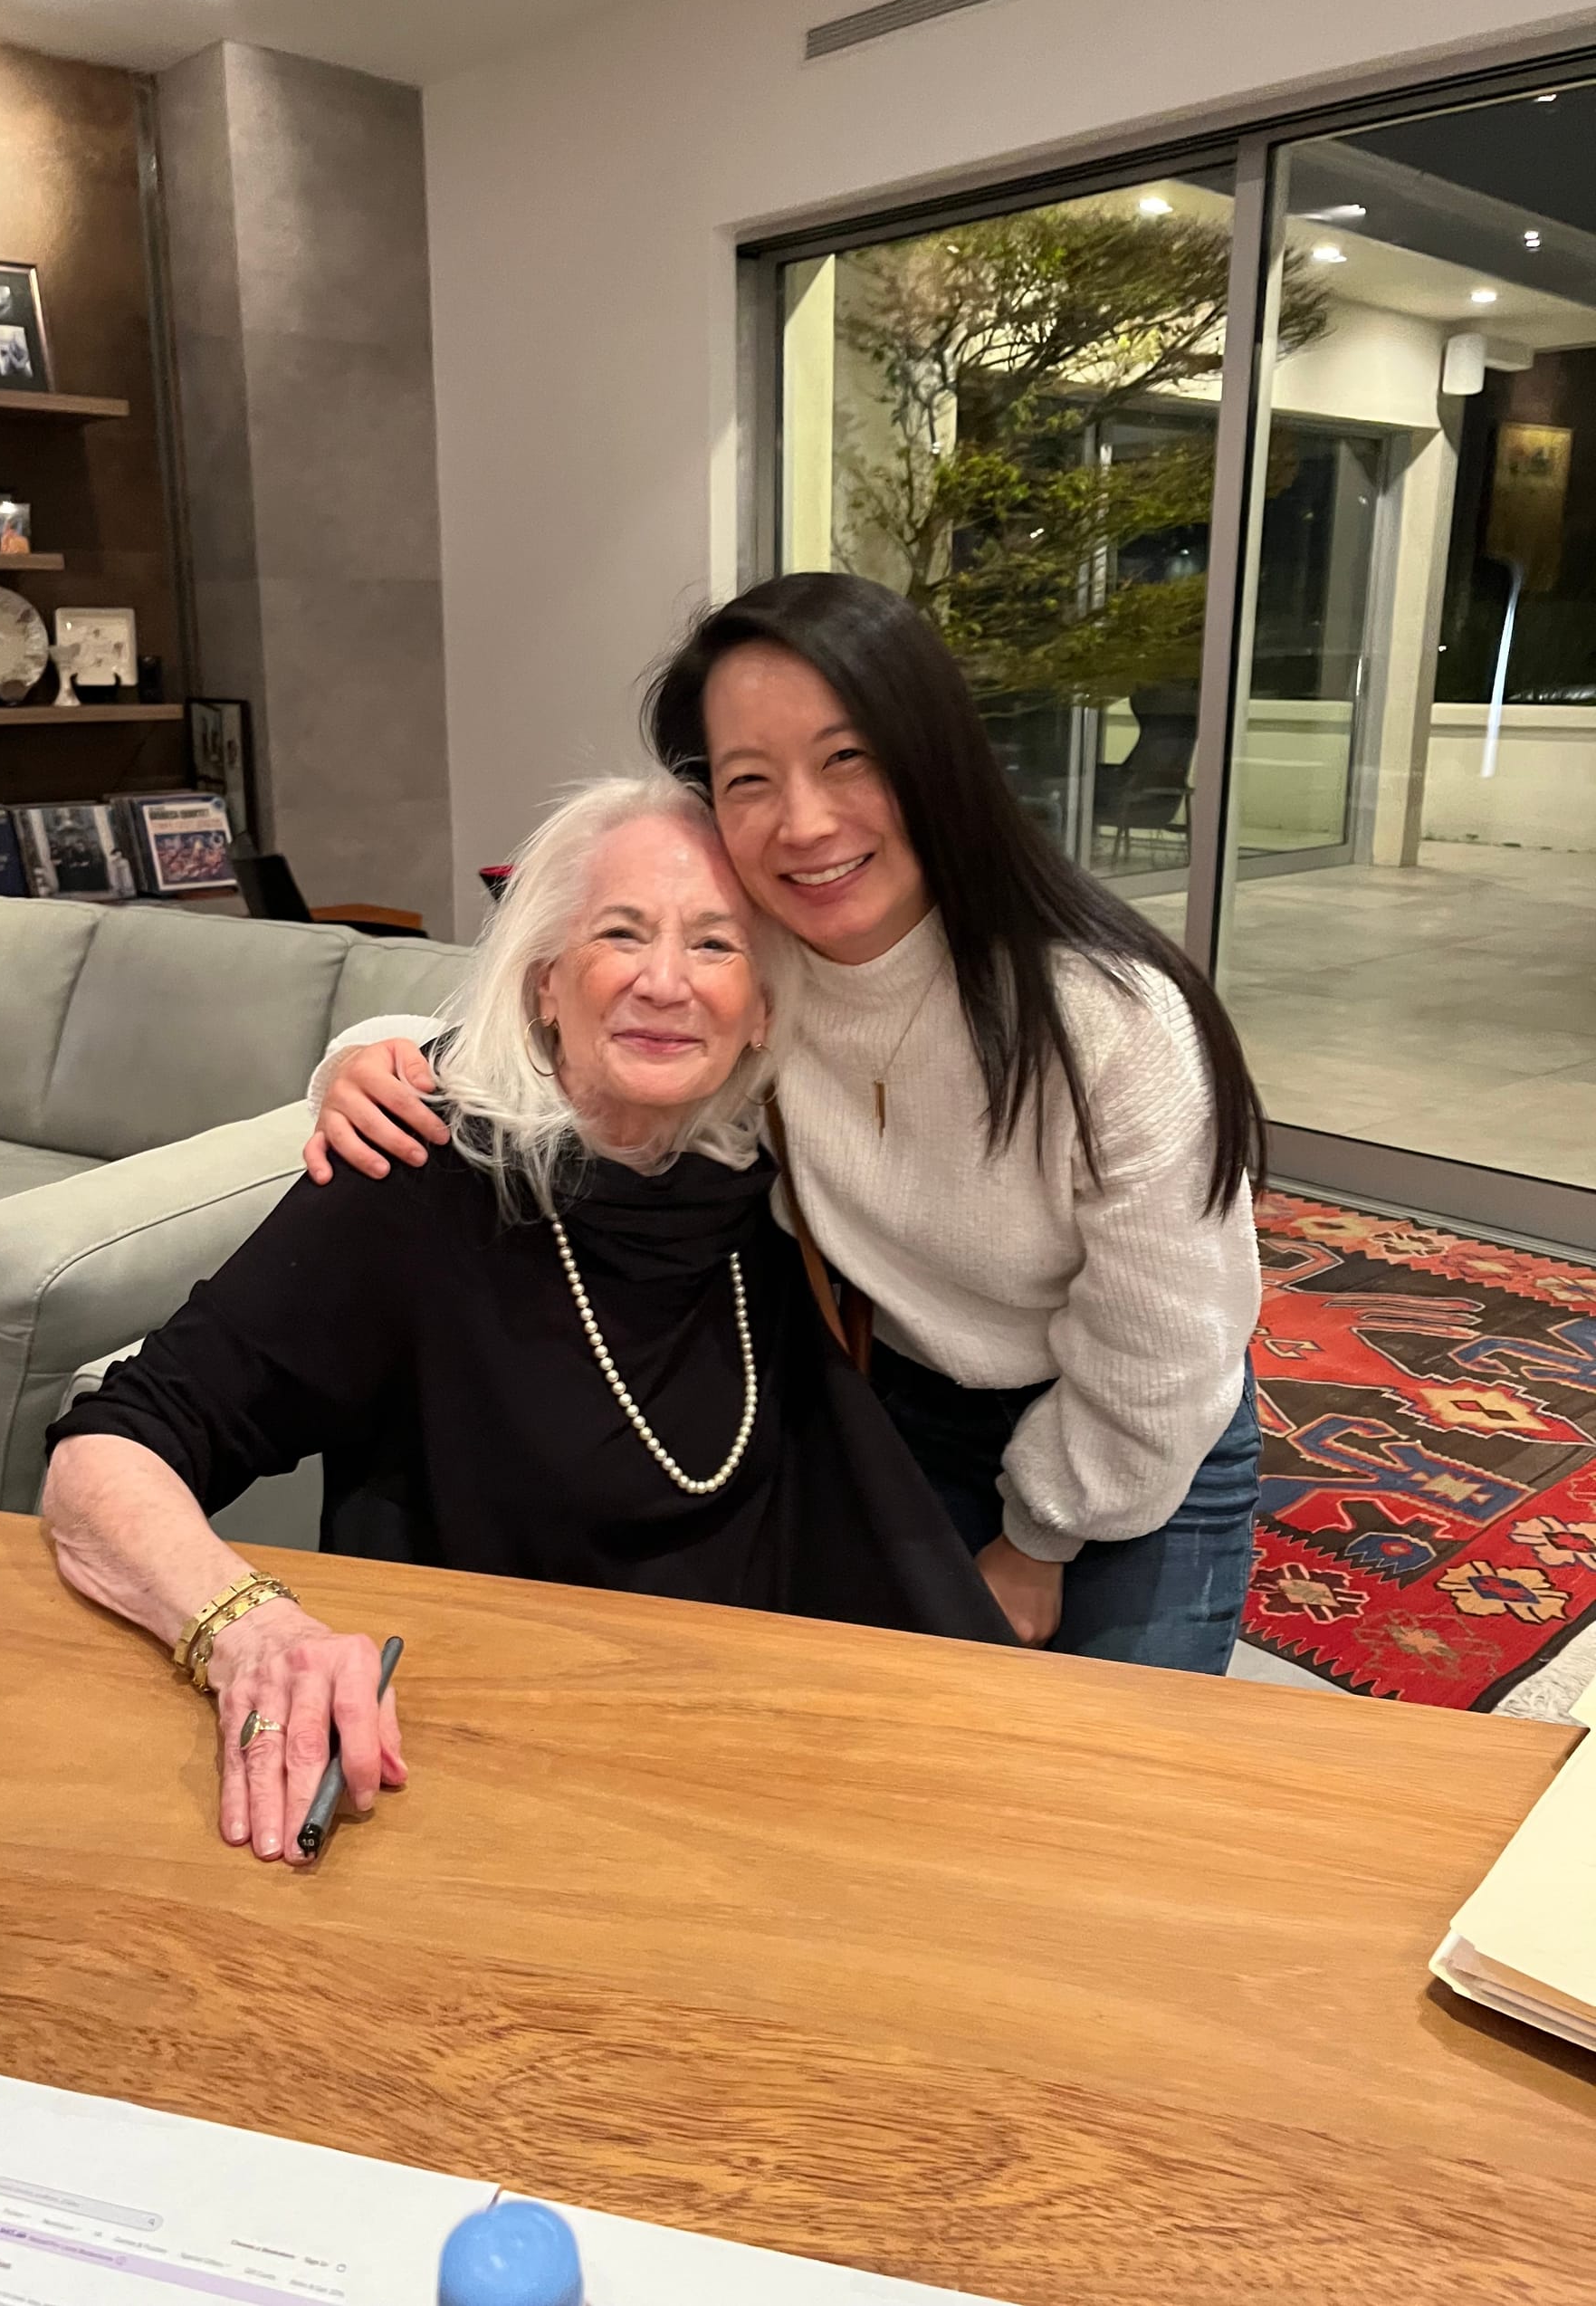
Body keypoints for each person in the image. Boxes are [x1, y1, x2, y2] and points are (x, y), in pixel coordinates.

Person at [43, 771, 1011, 1867]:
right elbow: (106, 1451)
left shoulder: (785, 1180)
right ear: (546, 982)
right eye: (620, 933)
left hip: (756, 1744)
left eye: (715, 945)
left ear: (766, 1010)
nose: (663, 982)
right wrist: (252, 1632)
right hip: (487, 1769)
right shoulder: (419, 1179)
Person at [307, 574, 1264, 1676]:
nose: (804, 824)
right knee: (879, 1737)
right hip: (899, 1411)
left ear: (932, 755)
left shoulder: (1104, 1020)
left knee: (1112, 1765)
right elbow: (557, 1036)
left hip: (1137, 1434)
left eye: (846, 758)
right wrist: (368, 1054)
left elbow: (1161, 1350)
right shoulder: (758, 982)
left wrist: (1034, 1541)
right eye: (748, 780)